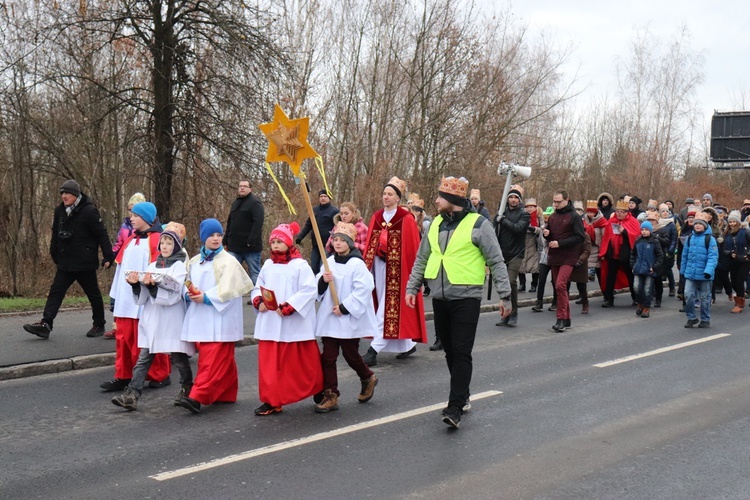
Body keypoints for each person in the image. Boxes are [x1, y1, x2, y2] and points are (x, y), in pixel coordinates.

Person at [406, 175, 511, 429]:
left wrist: (505, 296)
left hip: (466, 297)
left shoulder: (479, 224)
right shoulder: (435, 224)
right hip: (441, 298)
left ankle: (455, 407)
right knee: (450, 351)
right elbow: (423, 258)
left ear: (452, 200)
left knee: (462, 351)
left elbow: (496, 260)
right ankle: (463, 396)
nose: (436, 200)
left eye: (440, 197)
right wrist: (413, 286)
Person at [111, 224, 195, 411]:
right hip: (152, 318)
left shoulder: (179, 267)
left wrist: (152, 287)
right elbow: (142, 298)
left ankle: (188, 388)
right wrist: (136, 285)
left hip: (171, 319)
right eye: (163, 242)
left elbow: (174, 295)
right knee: (144, 358)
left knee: (178, 357)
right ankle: (132, 394)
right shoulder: (151, 265)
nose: (165, 246)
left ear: (176, 246)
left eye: (169, 243)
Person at [176, 219, 254, 413]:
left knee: (213, 360)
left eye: (219, 235)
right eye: (211, 235)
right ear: (204, 238)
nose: (216, 239)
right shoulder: (195, 261)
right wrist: (188, 293)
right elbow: (185, 284)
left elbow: (231, 290)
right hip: (201, 318)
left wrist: (207, 297)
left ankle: (196, 397)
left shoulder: (229, 262)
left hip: (221, 320)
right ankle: (225, 393)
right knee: (217, 359)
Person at [24, 179, 115, 339]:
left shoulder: (89, 211)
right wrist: (54, 252)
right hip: (65, 261)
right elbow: (55, 234)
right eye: (62, 193)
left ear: (76, 195)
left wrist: (108, 255)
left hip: (84, 262)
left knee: (93, 294)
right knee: (56, 292)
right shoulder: (59, 211)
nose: (64, 196)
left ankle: (99, 324)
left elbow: (101, 234)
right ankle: (46, 324)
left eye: (68, 193)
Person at [249, 221, 323, 416]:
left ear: (289, 243)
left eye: (279, 241)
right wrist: (258, 300)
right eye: (272, 241)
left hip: (292, 324)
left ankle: (317, 387)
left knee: (299, 364)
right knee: (269, 365)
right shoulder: (267, 264)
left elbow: (308, 289)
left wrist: (291, 306)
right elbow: (259, 285)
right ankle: (271, 399)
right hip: (270, 322)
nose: (274, 245)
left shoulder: (300, 265)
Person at [100, 202, 171, 392]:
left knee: (147, 338)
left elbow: (159, 270)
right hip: (125, 300)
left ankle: (160, 374)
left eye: (135, 215)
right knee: (123, 339)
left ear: (146, 218)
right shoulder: (131, 239)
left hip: (143, 298)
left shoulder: (158, 239)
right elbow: (121, 267)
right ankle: (123, 374)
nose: (131, 218)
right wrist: (116, 293)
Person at [362, 176, 427, 366]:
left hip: (398, 273)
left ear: (398, 198)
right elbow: (369, 245)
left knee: (387, 309)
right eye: (384, 194)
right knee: (383, 304)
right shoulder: (376, 216)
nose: (386, 197)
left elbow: (411, 249)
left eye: (390, 194)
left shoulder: (406, 219)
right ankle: (407, 345)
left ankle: (373, 351)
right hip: (378, 268)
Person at [314, 222, 379, 413]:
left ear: (350, 243)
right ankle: (331, 394)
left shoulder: (357, 264)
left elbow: (365, 288)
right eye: (335, 239)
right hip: (330, 317)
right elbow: (317, 287)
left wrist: (344, 307)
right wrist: (323, 281)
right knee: (328, 357)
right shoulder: (329, 263)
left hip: (347, 317)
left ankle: (367, 377)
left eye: (342, 240)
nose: (338, 243)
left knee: (351, 355)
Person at [103, 192, 147, 339]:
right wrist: (110, 257)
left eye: (135, 211)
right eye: (130, 210)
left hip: (136, 267)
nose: (132, 215)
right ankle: (117, 326)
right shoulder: (124, 227)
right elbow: (119, 244)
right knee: (117, 298)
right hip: (123, 263)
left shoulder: (145, 232)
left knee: (133, 298)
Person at [543, 190, 585, 332]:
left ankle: (560, 318)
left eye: (558, 201)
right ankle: (566, 318)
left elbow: (580, 237)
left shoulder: (574, 216)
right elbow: (550, 236)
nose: (555, 204)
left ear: (567, 200)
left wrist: (560, 243)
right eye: (554, 201)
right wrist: (547, 235)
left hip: (569, 256)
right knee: (558, 286)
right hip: (555, 256)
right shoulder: (553, 216)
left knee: (561, 284)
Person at [494, 185, 530, 327]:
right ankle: (505, 313)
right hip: (502, 254)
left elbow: (519, 229)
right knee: (503, 285)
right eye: (511, 197)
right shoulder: (501, 212)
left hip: (516, 253)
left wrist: (502, 220)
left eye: (516, 197)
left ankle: (514, 312)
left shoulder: (524, 214)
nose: (513, 200)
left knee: (511, 282)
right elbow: (493, 231)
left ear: (519, 200)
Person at [594, 199, 640, 308]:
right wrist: (604, 252)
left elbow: (635, 236)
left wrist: (624, 232)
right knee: (610, 277)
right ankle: (609, 299)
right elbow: (606, 238)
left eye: (622, 212)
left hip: (626, 254)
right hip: (613, 254)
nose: (619, 214)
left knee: (630, 276)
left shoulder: (632, 221)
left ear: (627, 212)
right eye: (618, 211)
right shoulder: (611, 221)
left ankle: (636, 298)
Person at [680, 212, 719, 328]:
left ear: (705, 225)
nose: (697, 226)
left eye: (700, 224)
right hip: (690, 274)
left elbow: (713, 256)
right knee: (688, 295)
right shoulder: (690, 238)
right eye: (696, 224)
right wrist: (683, 270)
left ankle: (705, 319)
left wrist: (708, 271)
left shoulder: (710, 239)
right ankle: (691, 317)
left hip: (705, 274)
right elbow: (685, 255)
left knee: (705, 298)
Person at [224, 179, 265, 284]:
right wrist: (225, 239)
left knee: (255, 273)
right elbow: (230, 222)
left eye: (245, 186)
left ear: (250, 189)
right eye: (240, 186)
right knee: (230, 272)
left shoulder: (255, 203)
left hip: (250, 248)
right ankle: (231, 297)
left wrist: (251, 240)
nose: (242, 188)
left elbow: (258, 223)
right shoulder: (235, 203)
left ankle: (257, 298)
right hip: (234, 246)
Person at [296, 189, 339, 274]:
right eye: (321, 196)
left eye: (325, 196)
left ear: (329, 198)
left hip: (327, 246)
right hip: (316, 245)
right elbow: (308, 225)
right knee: (314, 267)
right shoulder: (314, 210)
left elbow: (338, 227)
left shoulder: (334, 211)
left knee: (323, 267)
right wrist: (300, 237)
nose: (323, 198)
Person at [630, 221, 664, 319]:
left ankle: (646, 307)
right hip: (638, 268)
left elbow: (660, 256)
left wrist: (654, 267)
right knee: (636, 287)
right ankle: (640, 303)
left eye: (646, 230)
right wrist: (633, 265)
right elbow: (633, 254)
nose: (644, 232)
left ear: (650, 230)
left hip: (649, 269)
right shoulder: (638, 240)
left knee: (647, 289)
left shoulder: (654, 241)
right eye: (642, 230)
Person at [723, 210, 748, 313]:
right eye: (730, 222)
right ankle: (740, 296)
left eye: (734, 222)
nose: (732, 224)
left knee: (739, 281)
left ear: (738, 222)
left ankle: (739, 303)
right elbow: (724, 248)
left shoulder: (745, 231)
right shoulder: (727, 233)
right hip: (733, 260)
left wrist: (748, 255)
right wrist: (729, 253)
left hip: (744, 260)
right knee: (733, 281)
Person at [651, 208, 677, 307]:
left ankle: (671, 287)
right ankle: (652, 293)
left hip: (665, 252)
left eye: (667, 211)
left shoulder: (671, 224)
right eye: (663, 211)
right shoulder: (649, 228)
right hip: (652, 256)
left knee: (667, 270)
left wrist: (670, 250)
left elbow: (673, 239)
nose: (665, 213)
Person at [519, 198, 543, 294]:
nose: (529, 209)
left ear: (535, 207)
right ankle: (522, 284)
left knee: (534, 266)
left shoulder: (539, 216)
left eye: (531, 207)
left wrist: (535, 229)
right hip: (523, 241)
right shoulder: (522, 216)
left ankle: (534, 285)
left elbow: (543, 228)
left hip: (534, 242)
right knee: (521, 264)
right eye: (528, 207)